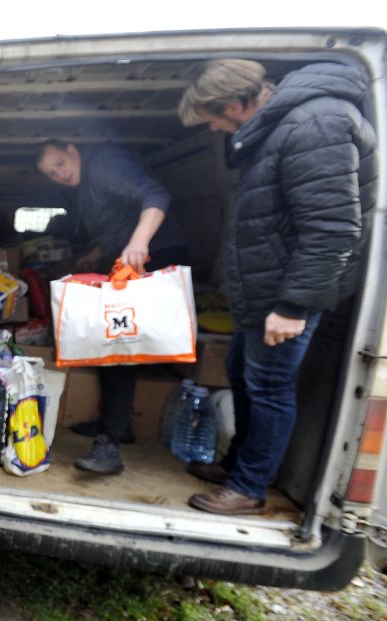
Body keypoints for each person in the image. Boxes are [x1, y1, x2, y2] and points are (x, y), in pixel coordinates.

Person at [178, 59, 377, 515]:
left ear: (234, 105)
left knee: (269, 386)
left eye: (211, 119)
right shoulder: (281, 128)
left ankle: (248, 488)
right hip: (266, 292)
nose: (212, 129)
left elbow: (332, 228)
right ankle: (237, 467)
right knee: (243, 375)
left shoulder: (316, 124)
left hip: (287, 297)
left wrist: (293, 306)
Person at [36, 140, 187, 474]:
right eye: (51, 173)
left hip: (155, 255)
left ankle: (110, 445)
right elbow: (119, 221)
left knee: (118, 348)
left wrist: (139, 242)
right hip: (134, 256)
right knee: (115, 345)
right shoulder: (84, 184)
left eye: (60, 162)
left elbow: (156, 196)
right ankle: (117, 426)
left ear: (73, 150)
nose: (59, 174)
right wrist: (100, 249)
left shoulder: (103, 164)